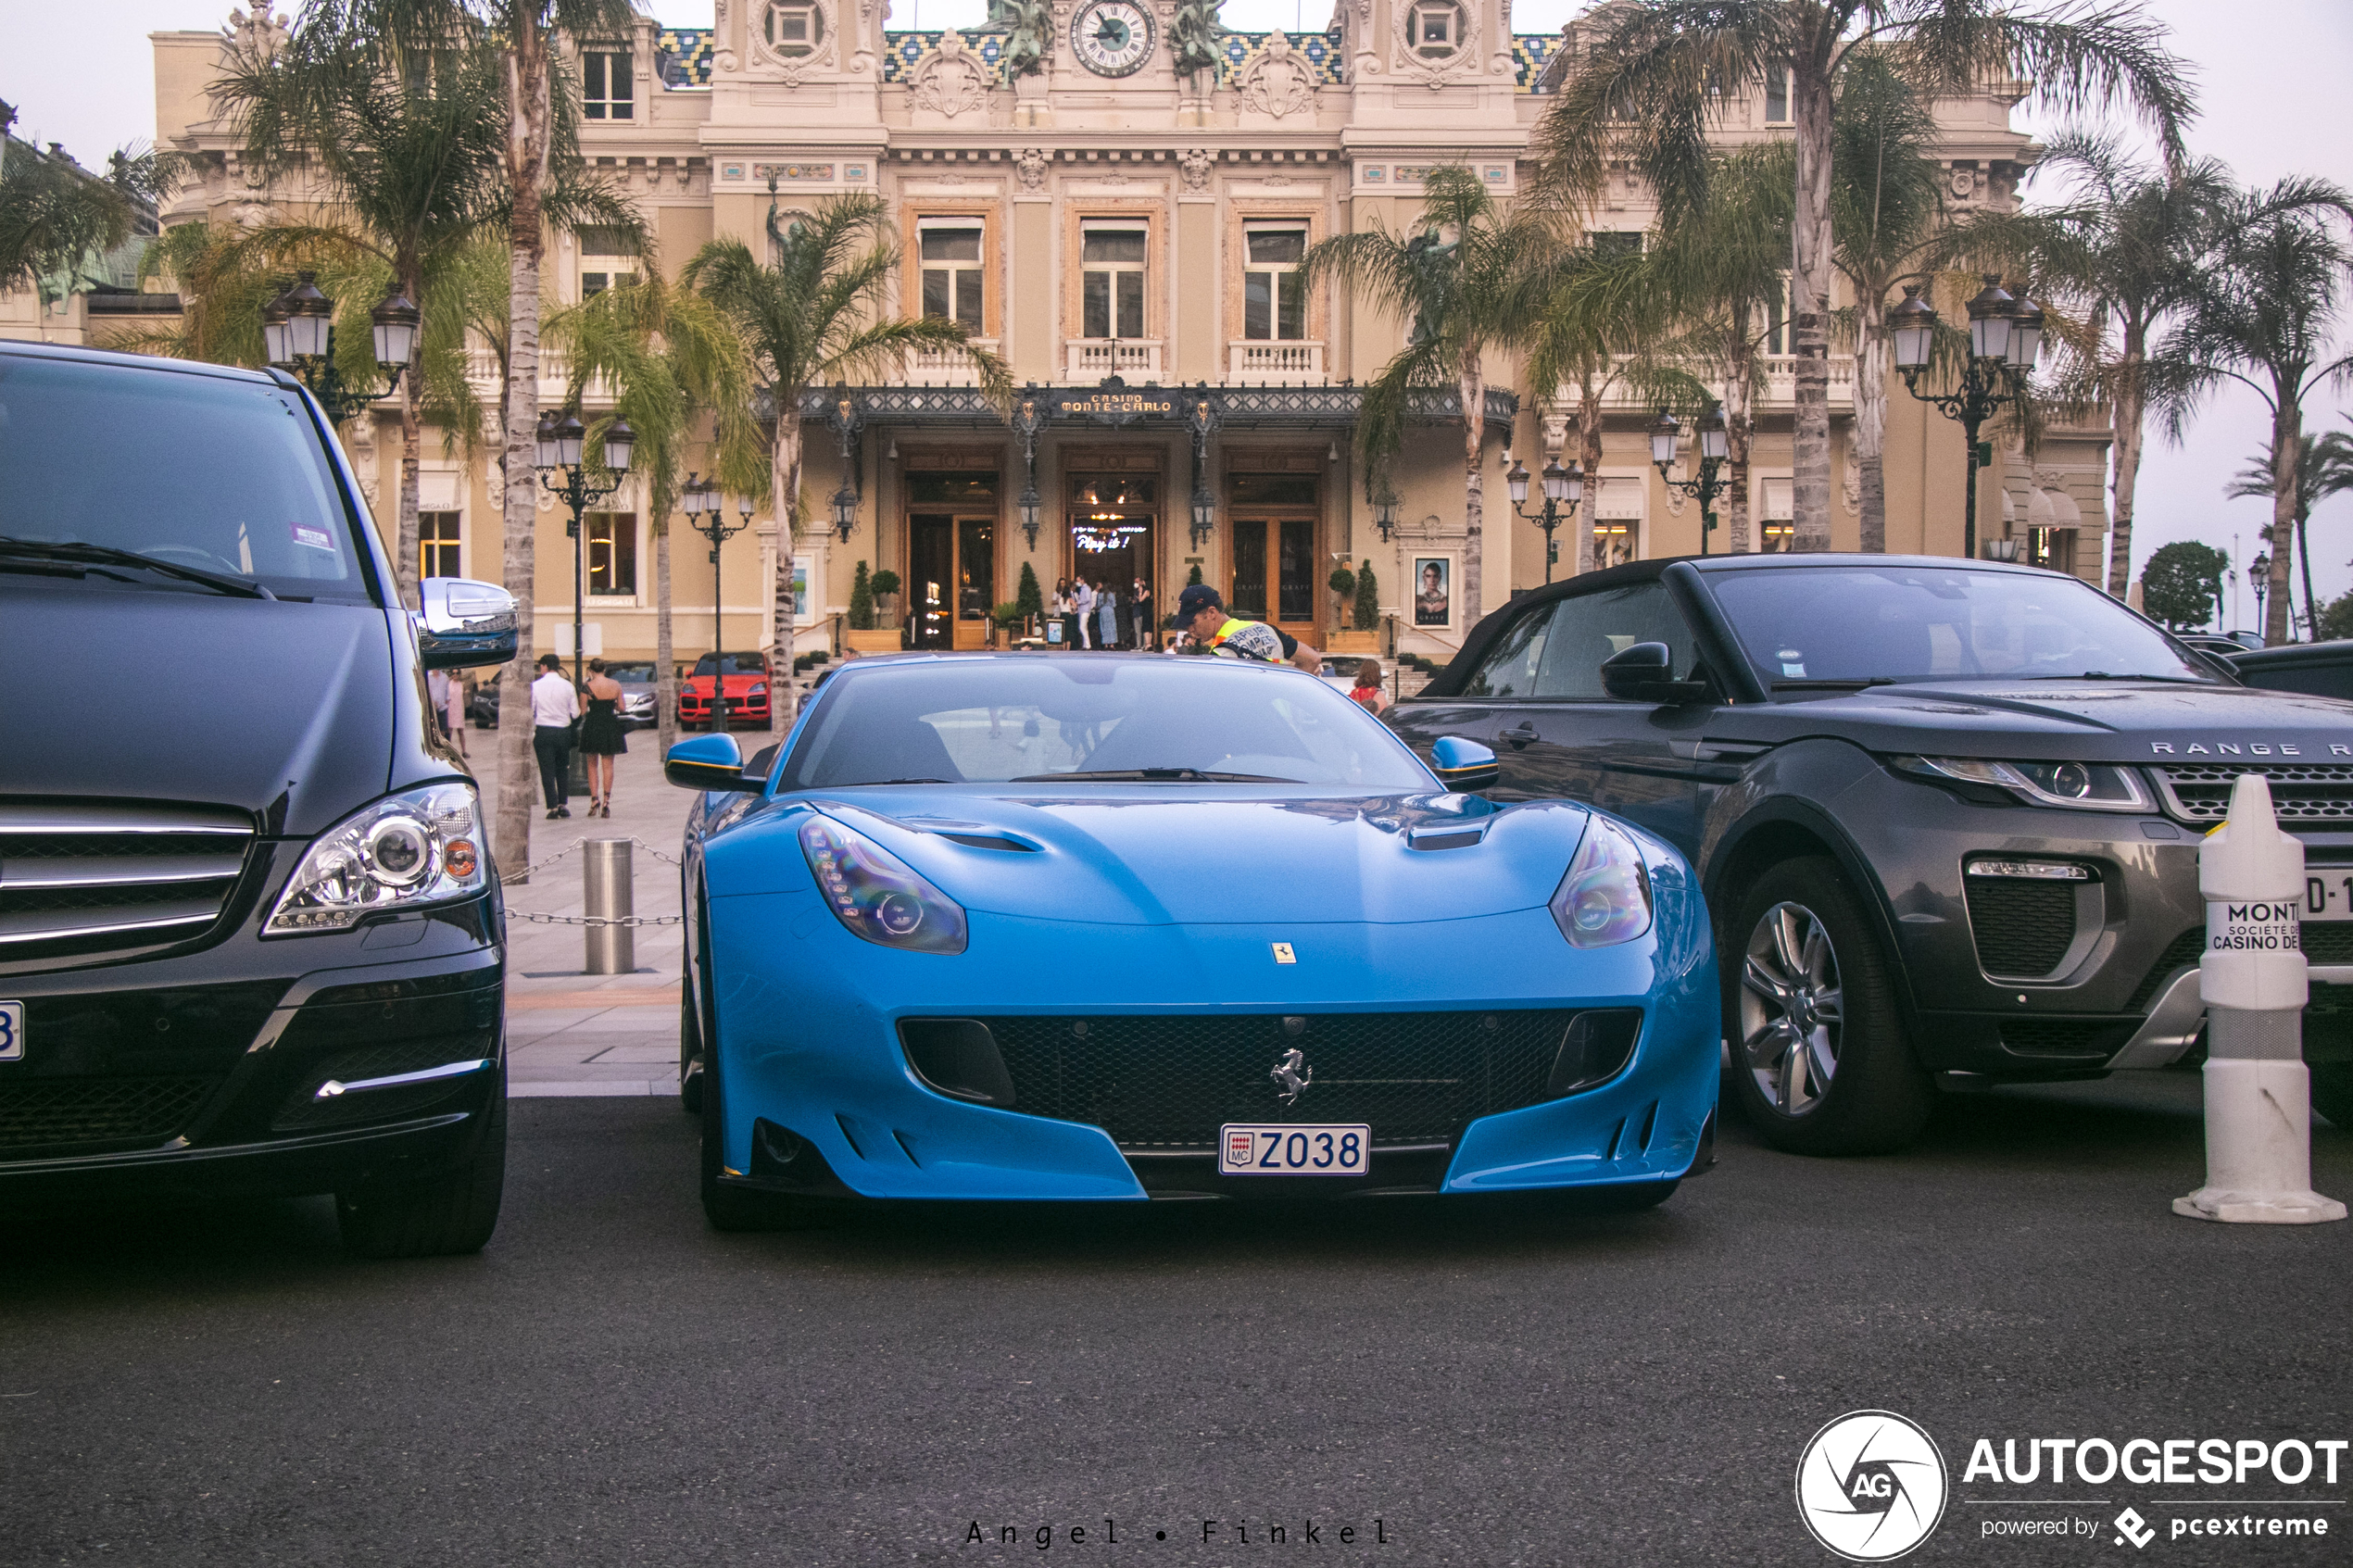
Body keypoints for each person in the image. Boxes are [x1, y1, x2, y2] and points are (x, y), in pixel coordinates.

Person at [1163, 583, 1322, 671]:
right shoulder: (1265, 629)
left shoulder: (1222, 653)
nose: (1189, 630)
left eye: (1192, 622)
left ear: (1211, 612)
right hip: (1282, 722)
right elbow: (1313, 659)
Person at [530, 653, 580, 820]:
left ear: (544, 666)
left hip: (544, 731)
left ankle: (551, 806)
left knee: (547, 770)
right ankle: (562, 804)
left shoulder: (536, 686)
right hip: (562, 731)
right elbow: (575, 712)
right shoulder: (568, 686)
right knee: (562, 768)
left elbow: (531, 710)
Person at [578, 657, 628, 818]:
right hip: (610, 724)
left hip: (593, 725)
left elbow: (583, 711)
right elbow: (622, 707)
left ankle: (594, 800)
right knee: (608, 764)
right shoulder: (615, 685)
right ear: (604, 670)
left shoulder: (587, 687)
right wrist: (611, 704)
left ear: (591, 671)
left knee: (592, 764)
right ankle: (607, 799)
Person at [1072, 577, 1097, 648]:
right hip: (1081, 610)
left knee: (1082, 627)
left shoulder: (1087, 588)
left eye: (1078, 581)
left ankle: (1088, 645)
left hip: (1085, 610)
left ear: (1083, 580)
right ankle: (1085, 644)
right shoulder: (1082, 589)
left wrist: (1078, 602)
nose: (1077, 582)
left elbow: (1087, 599)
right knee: (1084, 628)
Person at [1096, 580, 1119, 650]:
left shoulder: (1100, 595)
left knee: (1104, 627)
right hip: (1110, 611)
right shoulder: (1111, 595)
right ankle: (1112, 644)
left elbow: (1098, 605)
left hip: (1103, 611)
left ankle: (1106, 644)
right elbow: (1114, 605)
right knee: (1112, 627)